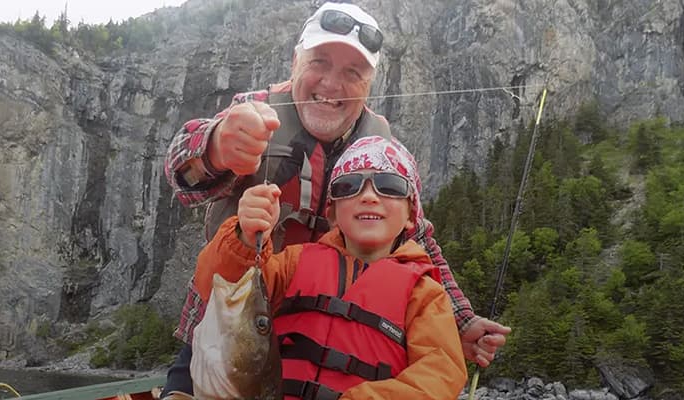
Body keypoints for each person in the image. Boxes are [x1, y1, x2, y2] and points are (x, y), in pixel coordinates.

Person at [162, 2, 510, 398]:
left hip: (327, 340)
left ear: (368, 84)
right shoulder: (253, 110)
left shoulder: (381, 152)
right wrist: (215, 148)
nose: (332, 83)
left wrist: (462, 321)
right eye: (320, 62)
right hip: (231, 324)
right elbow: (181, 176)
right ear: (295, 62)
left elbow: (420, 242)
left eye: (352, 72)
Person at [193, 136, 467, 399]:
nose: (369, 196)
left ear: (411, 215)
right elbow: (219, 288)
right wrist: (245, 236)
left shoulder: (425, 294)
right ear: (332, 213)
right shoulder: (292, 263)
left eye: (390, 186)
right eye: (348, 186)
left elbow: (441, 374)